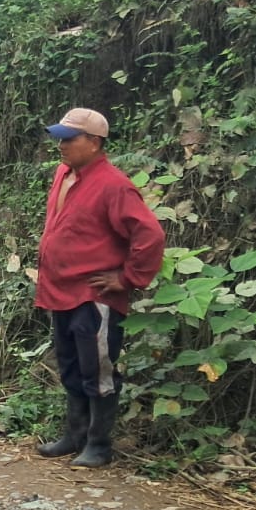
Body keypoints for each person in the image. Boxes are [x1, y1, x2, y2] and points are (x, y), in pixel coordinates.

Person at [33, 107, 165, 467]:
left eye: (69, 139)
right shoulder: (64, 174)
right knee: (70, 365)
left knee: (98, 368)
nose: (61, 145)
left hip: (94, 296)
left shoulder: (113, 184)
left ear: (93, 143)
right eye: (59, 138)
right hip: (61, 291)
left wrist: (126, 278)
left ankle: (99, 445)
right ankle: (74, 435)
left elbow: (150, 235)